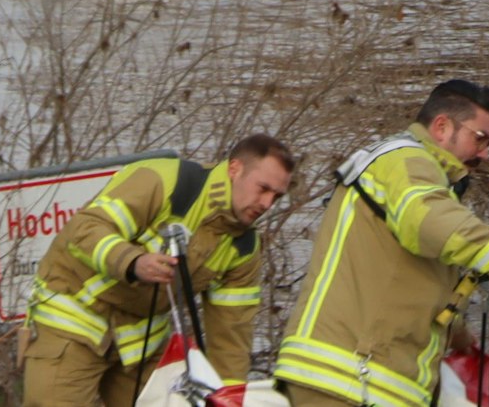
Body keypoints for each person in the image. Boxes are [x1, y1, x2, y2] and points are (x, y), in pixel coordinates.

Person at [275, 80, 489, 407]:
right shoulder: (408, 161)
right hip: (350, 380)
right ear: (442, 127)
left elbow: (402, 278)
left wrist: (458, 335)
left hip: (357, 382)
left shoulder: (423, 178)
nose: (484, 153)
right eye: (479, 138)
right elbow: (423, 221)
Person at [23, 134, 296, 407]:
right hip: (74, 324)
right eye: (263, 188)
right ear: (234, 169)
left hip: (140, 345)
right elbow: (85, 231)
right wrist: (133, 262)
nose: (267, 204)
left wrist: (230, 400)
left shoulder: (244, 247)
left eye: (276, 196)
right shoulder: (164, 182)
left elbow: (231, 341)